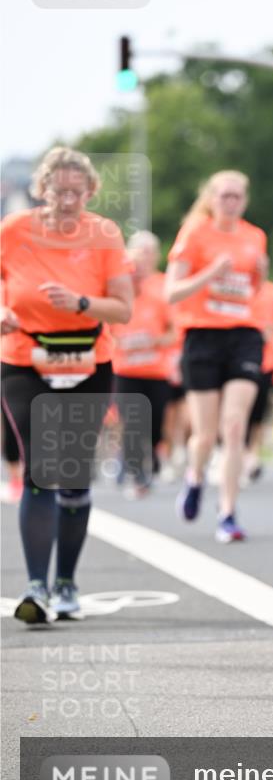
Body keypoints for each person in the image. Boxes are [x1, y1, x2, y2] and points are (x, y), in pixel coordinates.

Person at [0, 147, 132, 622]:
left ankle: (67, 582)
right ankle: (36, 587)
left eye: (78, 191)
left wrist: (80, 302)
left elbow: (122, 309)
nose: (68, 199)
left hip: (88, 359)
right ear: (42, 189)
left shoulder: (104, 234)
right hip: (24, 359)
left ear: (91, 192)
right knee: (41, 465)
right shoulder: (13, 230)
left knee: (73, 475)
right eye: (59, 190)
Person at [165, 170, 267, 543]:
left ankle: (227, 512)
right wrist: (210, 272)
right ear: (211, 198)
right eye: (224, 196)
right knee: (205, 435)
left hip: (244, 334)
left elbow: (250, 290)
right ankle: (194, 478)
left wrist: (261, 275)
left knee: (235, 425)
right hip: (202, 336)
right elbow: (171, 292)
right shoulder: (195, 233)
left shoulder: (255, 236)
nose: (231, 202)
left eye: (237, 196)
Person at [111, 232, 175, 497]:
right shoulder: (117, 284)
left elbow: (175, 330)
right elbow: (104, 323)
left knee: (155, 423)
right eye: (139, 252)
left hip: (156, 369)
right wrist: (121, 342)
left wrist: (153, 341)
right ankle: (137, 473)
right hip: (125, 369)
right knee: (133, 420)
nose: (143, 258)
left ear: (156, 256)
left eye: (149, 252)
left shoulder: (164, 285)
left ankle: (136, 459)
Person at [244, 278, 273, 481]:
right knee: (239, 411)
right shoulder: (238, 285)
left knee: (258, 414)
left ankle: (253, 454)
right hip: (240, 357)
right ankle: (236, 453)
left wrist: (271, 331)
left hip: (266, 361)